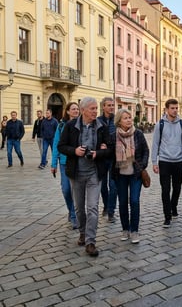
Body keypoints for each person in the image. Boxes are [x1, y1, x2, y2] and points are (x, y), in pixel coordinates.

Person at [58, 97, 113, 257]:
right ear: (83, 111)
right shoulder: (70, 126)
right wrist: (75, 151)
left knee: (93, 208)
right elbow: (61, 146)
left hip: (94, 173)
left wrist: (99, 153)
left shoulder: (102, 126)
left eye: (96, 108)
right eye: (92, 108)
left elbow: (110, 148)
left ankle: (90, 242)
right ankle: (82, 232)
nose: (96, 111)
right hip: (76, 173)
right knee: (79, 209)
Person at [111, 109, 149, 244]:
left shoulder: (138, 134)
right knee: (122, 203)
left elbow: (145, 150)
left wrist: (143, 165)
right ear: (119, 121)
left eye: (129, 117)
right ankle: (125, 229)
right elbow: (109, 154)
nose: (128, 120)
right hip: (120, 174)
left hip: (135, 174)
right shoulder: (113, 136)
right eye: (125, 118)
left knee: (134, 201)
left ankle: (134, 231)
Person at [151, 98, 182, 228]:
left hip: (178, 161)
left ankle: (174, 206)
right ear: (166, 109)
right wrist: (154, 162)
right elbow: (155, 143)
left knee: (177, 188)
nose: (175, 110)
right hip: (164, 161)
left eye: (176, 108)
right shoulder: (160, 124)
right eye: (172, 108)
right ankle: (167, 216)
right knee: (165, 189)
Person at [51, 102, 80, 230]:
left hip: (78, 161)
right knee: (66, 189)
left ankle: (75, 215)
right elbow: (57, 144)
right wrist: (53, 164)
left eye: (77, 109)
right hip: (64, 162)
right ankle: (71, 211)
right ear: (67, 111)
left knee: (77, 191)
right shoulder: (61, 125)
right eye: (73, 109)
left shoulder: (82, 124)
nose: (76, 111)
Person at [97, 97, 117, 223]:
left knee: (113, 186)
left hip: (115, 157)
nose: (111, 107)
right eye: (108, 105)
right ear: (103, 107)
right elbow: (96, 137)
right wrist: (100, 144)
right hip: (102, 158)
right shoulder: (98, 121)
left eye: (112, 105)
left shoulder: (117, 119)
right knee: (103, 186)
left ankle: (111, 212)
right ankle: (106, 205)